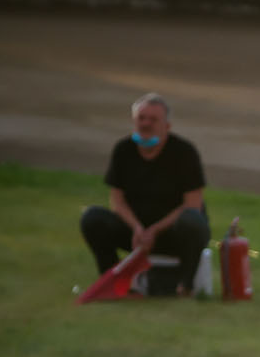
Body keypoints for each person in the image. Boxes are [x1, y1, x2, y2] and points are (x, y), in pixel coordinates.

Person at [80, 93, 209, 295]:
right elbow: (117, 200)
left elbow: (193, 204)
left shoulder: (184, 153)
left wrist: (154, 230)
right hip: (135, 233)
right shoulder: (123, 150)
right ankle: (113, 283)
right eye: (141, 118)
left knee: (193, 220)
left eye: (153, 119)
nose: (146, 124)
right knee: (92, 218)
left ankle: (186, 286)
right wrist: (137, 228)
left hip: (172, 232)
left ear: (167, 126)